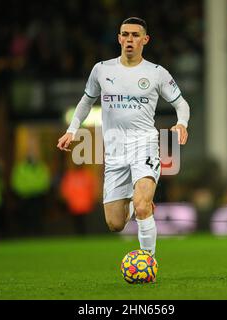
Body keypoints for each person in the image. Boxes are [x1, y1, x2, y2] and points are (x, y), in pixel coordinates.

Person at [57, 17, 190, 256]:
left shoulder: (156, 73)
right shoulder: (101, 69)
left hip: (145, 146)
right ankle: (141, 203)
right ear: (119, 38)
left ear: (145, 40)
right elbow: (86, 101)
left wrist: (182, 123)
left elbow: (181, 103)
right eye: (125, 34)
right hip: (115, 152)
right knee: (115, 223)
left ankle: (148, 259)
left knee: (141, 207)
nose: (130, 39)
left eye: (135, 35)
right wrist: (71, 130)